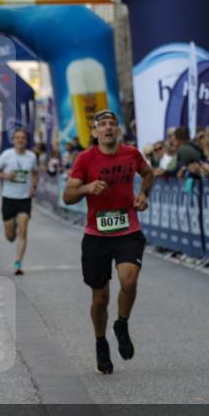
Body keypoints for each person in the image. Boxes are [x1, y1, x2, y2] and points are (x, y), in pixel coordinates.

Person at [62, 109, 153, 375]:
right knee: (100, 297)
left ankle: (122, 324)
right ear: (94, 132)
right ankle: (101, 342)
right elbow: (68, 195)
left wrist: (144, 194)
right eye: (102, 125)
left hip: (128, 230)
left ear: (118, 130)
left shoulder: (131, 154)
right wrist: (87, 189)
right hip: (96, 236)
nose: (108, 128)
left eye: (112, 124)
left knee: (129, 280)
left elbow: (148, 173)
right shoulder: (85, 159)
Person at [0, 128, 38, 274]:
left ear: (26, 140)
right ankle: (11, 233)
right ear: (13, 140)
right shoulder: (7, 155)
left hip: (24, 199)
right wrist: (6, 176)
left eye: (23, 138)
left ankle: (18, 263)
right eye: (17, 138)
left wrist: (34, 186)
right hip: (9, 198)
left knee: (23, 230)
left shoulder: (31, 156)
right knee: (10, 236)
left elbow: (36, 173)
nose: (20, 140)